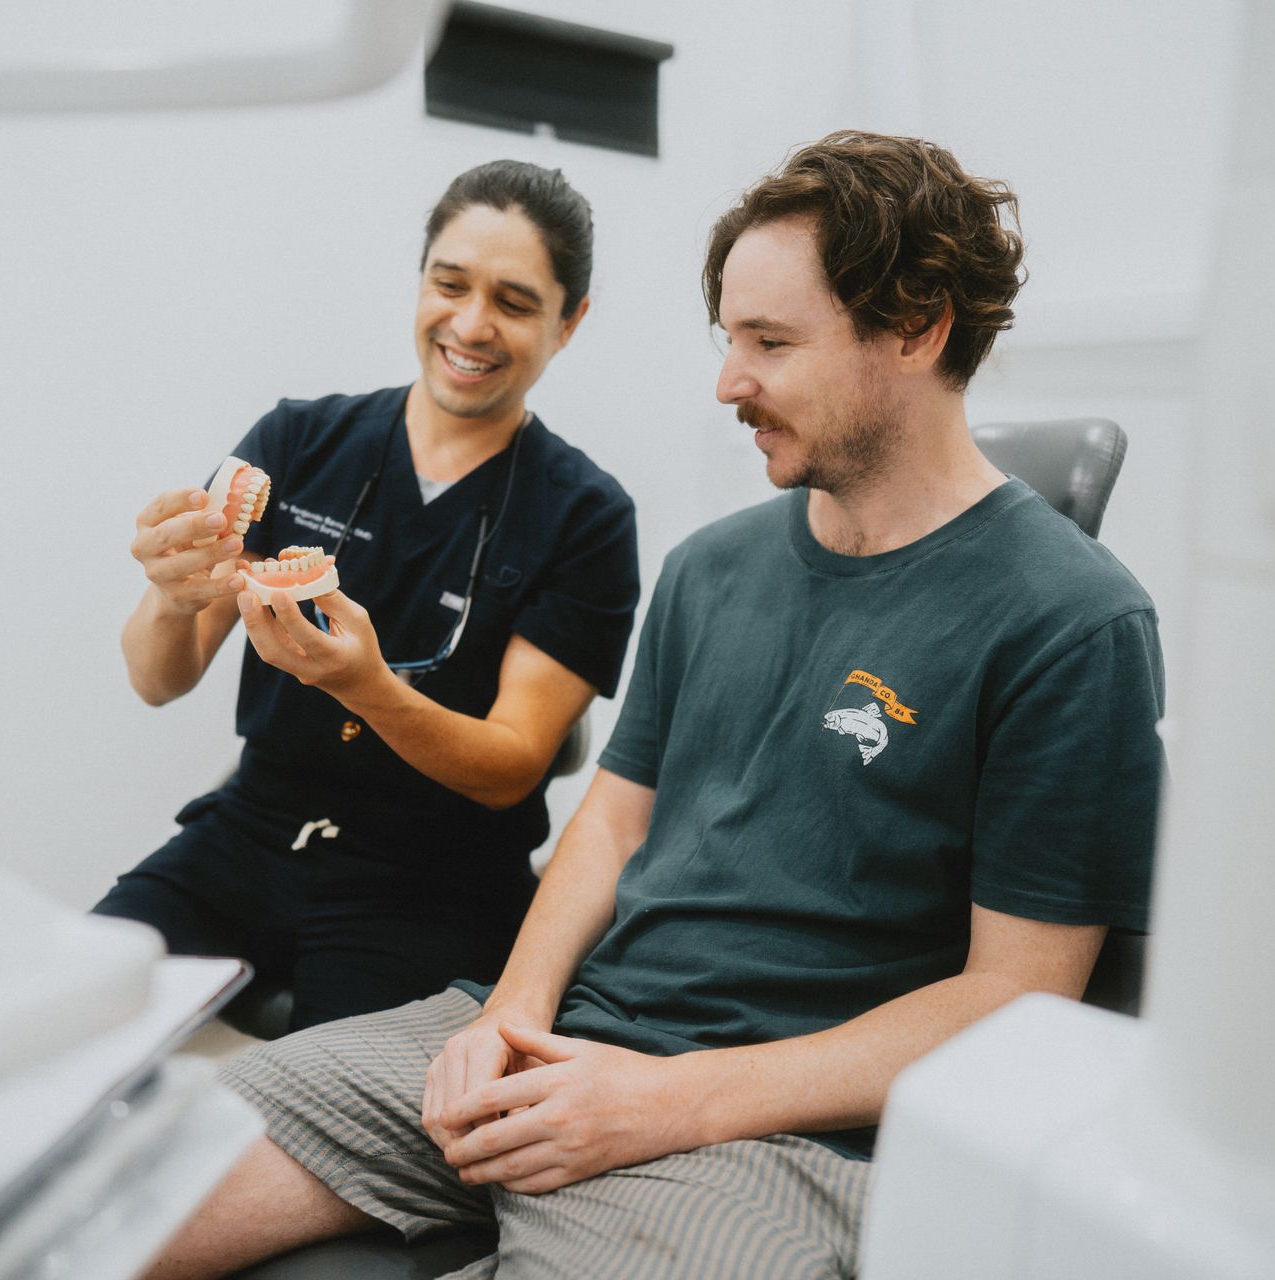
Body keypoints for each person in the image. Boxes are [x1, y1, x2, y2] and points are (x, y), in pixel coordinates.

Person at [150, 131, 1166, 1280]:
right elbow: (612, 822)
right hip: (558, 1040)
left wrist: (666, 1099)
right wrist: (511, 1015)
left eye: (771, 344)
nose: (729, 382)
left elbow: (1013, 996)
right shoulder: (710, 567)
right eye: (729, 339)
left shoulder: (1070, 621)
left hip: (771, 1129)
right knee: (119, 1193)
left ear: (919, 327)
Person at [97, 161, 640, 1034]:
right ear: (420, 278)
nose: (470, 325)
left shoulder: (586, 517)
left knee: (320, 1121)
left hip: (432, 881)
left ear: (569, 322)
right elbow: (159, 679)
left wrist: (366, 687)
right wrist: (168, 597)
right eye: (449, 283)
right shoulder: (297, 440)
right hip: (252, 831)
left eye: (514, 301)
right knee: (65, 1010)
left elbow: (511, 767)